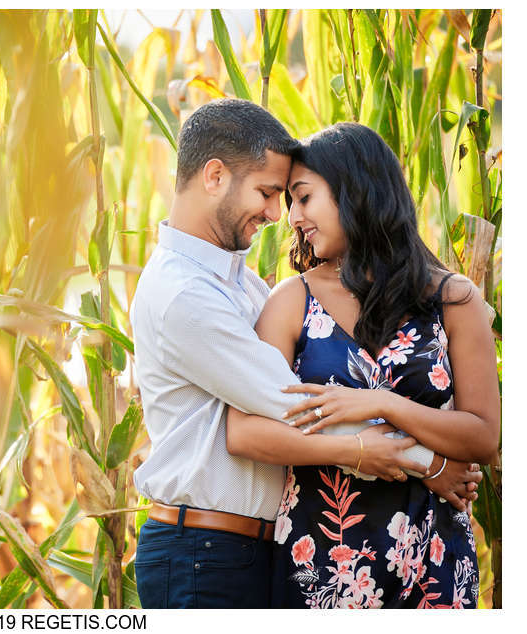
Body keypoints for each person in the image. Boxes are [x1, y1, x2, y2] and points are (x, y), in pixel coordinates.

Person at [129, 99, 478, 609]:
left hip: (242, 548)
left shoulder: (240, 284)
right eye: (269, 193)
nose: (277, 215)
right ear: (215, 176)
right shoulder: (186, 295)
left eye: (289, 197)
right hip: (203, 552)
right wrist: (428, 462)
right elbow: (291, 401)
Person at [225, 122, 499, 608]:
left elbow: (483, 436)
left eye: (304, 198)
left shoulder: (454, 300)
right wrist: (411, 459)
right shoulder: (292, 301)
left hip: (433, 567)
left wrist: (381, 402)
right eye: (290, 200)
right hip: (321, 566)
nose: (293, 217)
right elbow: (246, 432)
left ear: (355, 190)